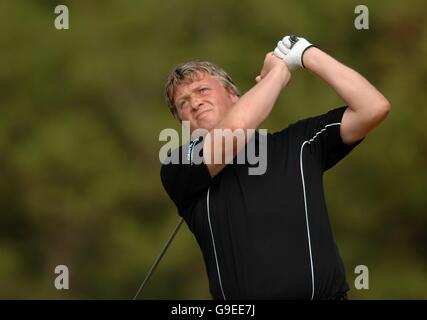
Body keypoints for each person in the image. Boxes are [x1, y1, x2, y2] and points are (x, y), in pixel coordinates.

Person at [160, 35, 390, 300]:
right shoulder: (179, 165)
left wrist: (304, 53)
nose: (195, 103)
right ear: (183, 125)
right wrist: (279, 73)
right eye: (183, 104)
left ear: (235, 95)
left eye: (202, 91)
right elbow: (234, 130)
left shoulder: (299, 142)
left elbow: (373, 107)